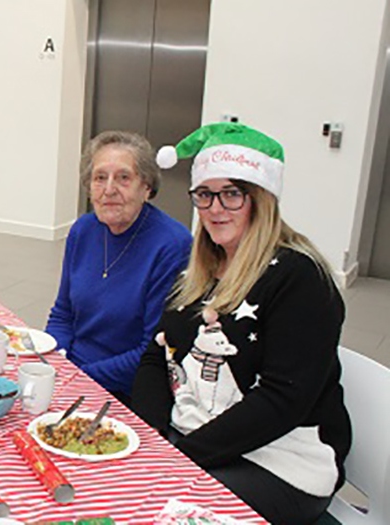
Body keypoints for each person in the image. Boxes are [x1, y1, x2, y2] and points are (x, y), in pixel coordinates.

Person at [132, 123, 351, 524]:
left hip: (282, 463)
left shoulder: (300, 278)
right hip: (198, 440)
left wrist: (179, 459)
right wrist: (152, 441)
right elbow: (156, 356)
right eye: (204, 194)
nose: (215, 208)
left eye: (232, 194)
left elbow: (282, 401)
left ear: (262, 199)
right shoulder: (198, 272)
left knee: (151, 512)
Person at [45, 131, 191, 402]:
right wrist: (54, 363)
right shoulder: (83, 230)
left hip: (128, 387)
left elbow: (152, 350)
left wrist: (78, 379)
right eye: (100, 178)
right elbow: (63, 314)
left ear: (146, 187)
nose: (109, 189)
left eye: (123, 178)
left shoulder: (172, 244)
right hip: (73, 374)